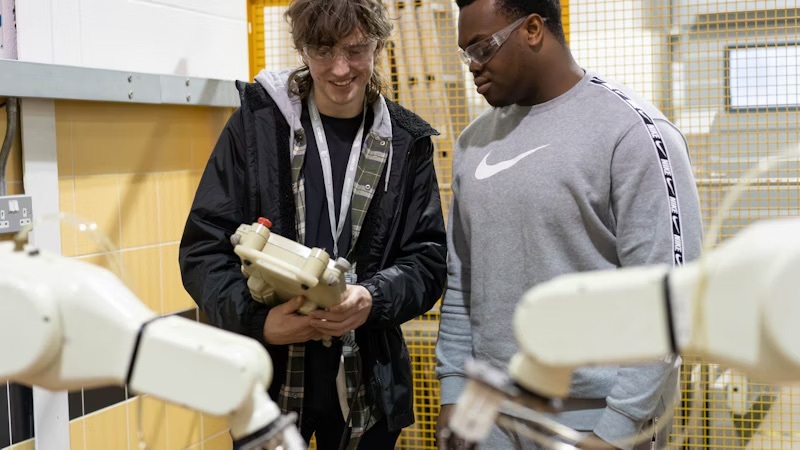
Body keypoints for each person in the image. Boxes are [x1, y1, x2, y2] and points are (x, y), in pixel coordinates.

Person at [434, 0, 703, 449]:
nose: (473, 68)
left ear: (534, 29)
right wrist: (454, 393)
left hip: (593, 418)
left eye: (482, 48)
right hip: (491, 413)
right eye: (466, 54)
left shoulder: (633, 133)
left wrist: (616, 429)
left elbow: (670, 297)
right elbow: (463, 280)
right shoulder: (473, 143)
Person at [179, 0, 448, 448]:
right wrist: (256, 322)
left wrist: (371, 298)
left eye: (357, 50)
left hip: (370, 382)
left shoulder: (406, 142)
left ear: (379, 44)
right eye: (323, 51)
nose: (341, 69)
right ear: (302, 50)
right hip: (273, 379)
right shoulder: (257, 127)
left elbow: (428, 260)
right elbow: (203, 248)